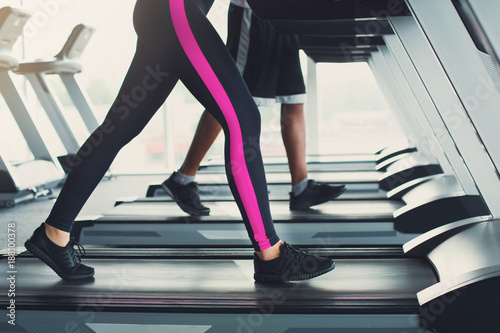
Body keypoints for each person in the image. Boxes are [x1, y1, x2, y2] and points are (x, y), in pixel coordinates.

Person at [24, 0, 335, 283]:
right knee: (244, 120)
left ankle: (54, 233)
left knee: (117, 128)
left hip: (163, 13)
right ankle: (271, 253)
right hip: (175, 11)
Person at [162, 0, 346, 216]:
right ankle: (183, 179)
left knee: (293, 97)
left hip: (288, 13)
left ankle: (301, 187)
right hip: (257, 11)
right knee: (229, 96)